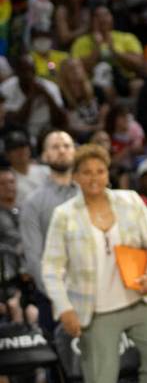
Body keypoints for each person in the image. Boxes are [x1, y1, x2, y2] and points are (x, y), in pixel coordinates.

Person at [41, 144, 147, 383]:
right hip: (97, 310)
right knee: (101, 377)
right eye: (87, 172)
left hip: (139, 299)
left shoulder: (130, 201)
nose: (94, 177)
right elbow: (51, 268)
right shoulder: (64, 215)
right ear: (76, 177)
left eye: (100, 171)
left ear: (108, 172)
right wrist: (64, 308)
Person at [19, 130, 76, 328]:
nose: (62, 150)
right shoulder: (33, 202)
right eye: (55, 147)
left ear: (75, 152)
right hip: (55, 299)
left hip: (99, 292)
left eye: (67, 146)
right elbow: (34, 258)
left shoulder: (92, 193)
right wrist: (59, 297)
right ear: (45, 156)